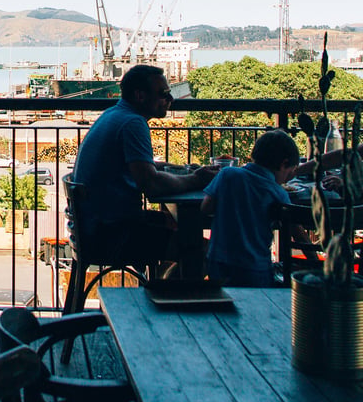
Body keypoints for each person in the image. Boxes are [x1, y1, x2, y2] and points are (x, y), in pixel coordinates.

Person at [72, 64, 217, 273]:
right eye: (164, 94)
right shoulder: (133, 123)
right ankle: (176, 301)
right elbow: (152, 185)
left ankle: (165, 297)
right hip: (112, 235)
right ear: (140, 96)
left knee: (176, 227)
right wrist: (197, 179)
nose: (170, 99)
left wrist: (183, 170)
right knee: (202, 250)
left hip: (94, 229)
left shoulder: (114, 114)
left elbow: (141, 167)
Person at [201, 129, 299, 287]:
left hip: (219, 262)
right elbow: (293, 227)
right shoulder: (278, 193)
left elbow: (205, 207)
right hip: (256, 267)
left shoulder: (227, 174)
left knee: (223, 303)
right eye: (289, 173)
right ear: (284, 164)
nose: (286, 178)